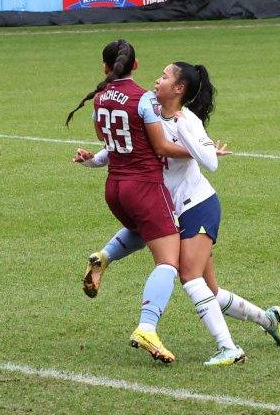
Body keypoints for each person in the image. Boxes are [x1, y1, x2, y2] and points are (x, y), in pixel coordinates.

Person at [74, 62, 280, 365]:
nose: (156, 80)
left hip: (198, 207)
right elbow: (124, 148)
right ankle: (269, 319)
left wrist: (197, 145)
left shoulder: (186, 121)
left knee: (188, 275)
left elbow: (210, 162)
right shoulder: (149, 112)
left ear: (179, 89)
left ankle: (229, 349)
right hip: (172, 208)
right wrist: (91, 160)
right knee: (209, 289)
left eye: (164, 76)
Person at [66, 39, 194, 364]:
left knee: (142, 230)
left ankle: (103, 256)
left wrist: (93, 159)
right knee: (169, 261)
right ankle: (147, 327)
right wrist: (201, 152)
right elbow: (161, 147)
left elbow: (109, 141)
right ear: (134, 65)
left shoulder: (100, 98)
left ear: (105, 67)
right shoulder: (144, 99)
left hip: (116, 189)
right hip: (145, 187)